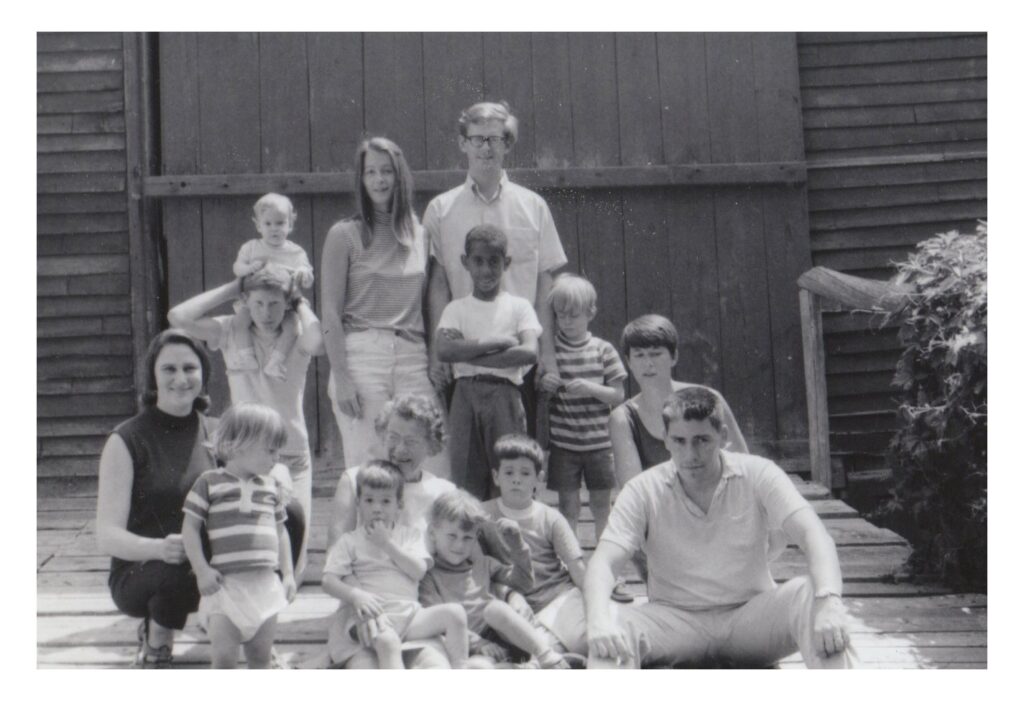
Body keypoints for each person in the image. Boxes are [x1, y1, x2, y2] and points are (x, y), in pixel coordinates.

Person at [584, 387, 857, 669]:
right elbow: (604, 561)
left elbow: (814, 535)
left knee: (815, 599)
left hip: (749, 620)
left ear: (723, 437)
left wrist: (828, 601)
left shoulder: (758, 472)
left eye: (702, 440)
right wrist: (598, 620)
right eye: (679, 441)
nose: (690, 454)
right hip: (674, 622)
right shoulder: (642, 489)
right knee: (610, 629)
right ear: (665, 439)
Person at [94, 330, 305, 668]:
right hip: (149, 569)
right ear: (153, 376)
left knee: (288, 513)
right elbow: (107, 536)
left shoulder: (220, 431)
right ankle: (158, 636)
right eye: (169, 369)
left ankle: (256, 633)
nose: (181, 378)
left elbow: (261, 465)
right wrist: (159, 548)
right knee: (179, 568)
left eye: (190, 368)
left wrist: (278, 474)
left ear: (204, 375)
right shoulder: (126, 439)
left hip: (215, 567)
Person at [167, 264, 323, 578]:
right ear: (247, 303)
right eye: (258, 304)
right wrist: (234, 286)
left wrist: (301, 301)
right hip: (243, 454)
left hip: (290, 450)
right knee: (247, 550)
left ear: (287, 304)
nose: (266, 312)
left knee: (295, 550)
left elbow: (318, 341)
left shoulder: (296, 335)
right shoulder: (230, 332)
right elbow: (178, 317)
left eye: (275, 304)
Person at [425, 100, 567, 436]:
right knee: (468, 470)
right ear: (463, 143)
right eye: (478, 139)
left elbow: (545, 279)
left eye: (496, 138)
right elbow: (439, 284)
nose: (487, 148)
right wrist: (436, 353)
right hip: (461, 358)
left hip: (518, 355)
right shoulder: (441, 209)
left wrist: (547, 351)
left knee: (517, 463)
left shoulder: (532, 206)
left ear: (508, 144)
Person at [321, 137, 449, 478]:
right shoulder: (344, 235)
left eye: (387, 171)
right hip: (363, 354)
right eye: (371, 173)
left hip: (412, 354)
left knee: (432, 459)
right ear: (361, 180)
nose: (379, 180)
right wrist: (342, 377)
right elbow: (330, 313)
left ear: (400, 176)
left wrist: (435, 357)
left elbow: (430, 303)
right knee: (371, 463)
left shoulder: (420, 235)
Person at [324, 394, 457, 669]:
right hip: (360, 610)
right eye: (393, 436)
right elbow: (335, 554)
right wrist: (364, 604)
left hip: (416, 612)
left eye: (411, 441)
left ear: (432, 445)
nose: (399, 449)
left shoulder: (442, 492)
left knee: (436, 671)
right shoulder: (354, 480)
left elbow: (456, 559)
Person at [181, 403, 297, 669]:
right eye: (270, 449)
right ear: (237, 445)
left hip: (265, 587)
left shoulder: (270, 487)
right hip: (226, 588)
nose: (276, 457)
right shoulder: (209, 482)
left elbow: (280, 532)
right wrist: (201, 570)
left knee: (260, 658)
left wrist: (288, 574)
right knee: (224, 660)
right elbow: (189, 529)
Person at [435, 224, 542, 499]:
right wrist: (496, 343)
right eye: (478, 261)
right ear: (465, 262)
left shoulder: (519, 307)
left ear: (506, 263)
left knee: (509, 469)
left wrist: (468, 352)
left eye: (494, 261)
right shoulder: (456, 309)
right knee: (465, 473)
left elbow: (529, 352)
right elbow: (445, 350)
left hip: (504, 394)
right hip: (465, 395)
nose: (485, 270)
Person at [419, 489, 572, 669]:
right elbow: (438, 623)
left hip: (509, 636)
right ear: (432, 533)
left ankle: (545, 655)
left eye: (467, 538)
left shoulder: (483, 564)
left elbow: (523, 583)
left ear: (476, 537)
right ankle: (530, 668)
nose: (459, 545)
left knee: (495, 609)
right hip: (468, 646)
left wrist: (517, 545)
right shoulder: (429, 576)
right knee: (480, 668)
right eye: (452, 536)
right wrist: (479, 643)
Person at [479, 434, 592, 658]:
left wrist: (596, 607)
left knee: (586, 639)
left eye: (525, 473)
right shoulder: (482, 515)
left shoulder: (550, 517)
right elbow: (477, 569)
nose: (516, 480)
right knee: (514, 632)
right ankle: (549, 654)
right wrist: (507, 595)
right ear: (496, 477)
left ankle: (549, 654)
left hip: (557, 597)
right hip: (513, 602)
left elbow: (577, 569)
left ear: (538, 478)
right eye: (509, 472)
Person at [610, 314, 748, 487]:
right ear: (629, 362)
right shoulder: (622, 419)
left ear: (674, 357)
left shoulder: (709, 398)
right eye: (639, 355)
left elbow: (744, 466)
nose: (648, 363)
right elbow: (633, 490)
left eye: (656, 354)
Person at [538, 273, 626, 541]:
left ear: (591, 313)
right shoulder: (551, 352)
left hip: (599, 446)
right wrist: (546, 384)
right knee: (568, 507)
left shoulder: (603, 350)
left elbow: (618, 395)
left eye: (574, 315)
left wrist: (590, 388)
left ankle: (604, 556)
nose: (566, 322)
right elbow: (540, 393)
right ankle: (571, 559)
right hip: (565, 446)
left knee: (602, 505)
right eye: (561, 315)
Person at [230, 193, 316, 381]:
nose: (274, 229)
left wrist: (303, 272)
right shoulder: (251, 247)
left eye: (280, 223)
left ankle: (276, 361)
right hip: (256, 302)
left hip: (285, 304)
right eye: (267, 224)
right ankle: (246, 357)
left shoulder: (296, 252)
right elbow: (237, 268)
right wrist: (247, 268)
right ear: (258, 224)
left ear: (290, 223)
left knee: (292, 327)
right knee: (239, 322)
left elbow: (307, 281)